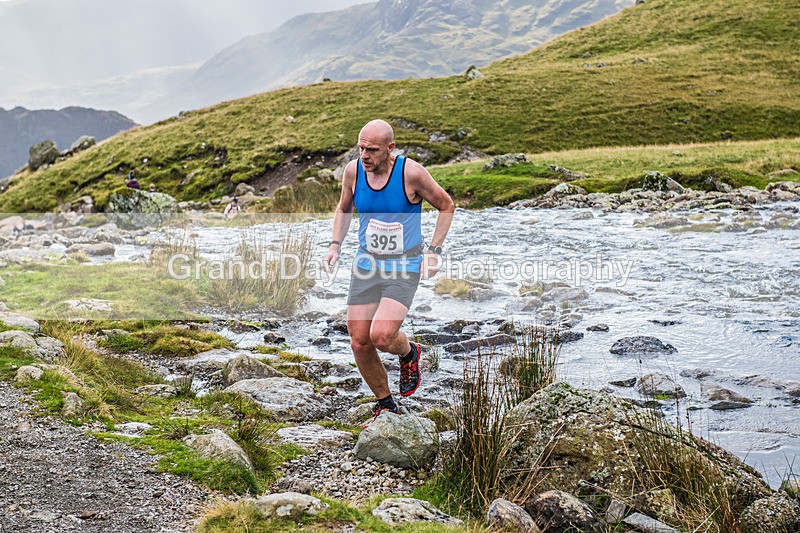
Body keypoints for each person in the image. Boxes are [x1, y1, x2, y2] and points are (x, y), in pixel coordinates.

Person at [323, 119, 454, 421]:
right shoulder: (354, 171)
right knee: (359, 340)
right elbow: (344, 208)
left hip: (404, 264)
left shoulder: (411, 173)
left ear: (390, 148)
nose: (364, 155)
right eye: (361, 148)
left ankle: (409, 353)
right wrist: (334, 246)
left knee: (382, 336)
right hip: (367, 264)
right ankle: (386, 404)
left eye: (371, 150)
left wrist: (433, 252)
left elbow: (446, 205)